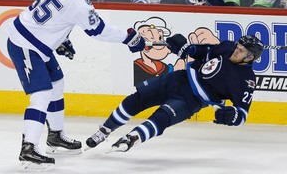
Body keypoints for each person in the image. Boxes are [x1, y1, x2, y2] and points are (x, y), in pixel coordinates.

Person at [6, 0, 145, 171]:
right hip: (25, 45)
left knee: (57, 83)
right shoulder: (79, 2)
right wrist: (128, 38)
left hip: (36, 43)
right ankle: (29, 149)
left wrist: (62, 39)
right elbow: (98, 30)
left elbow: (54, 18)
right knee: (42, 94)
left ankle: (55, 136)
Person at [85, 34, 264, 153]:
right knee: (136, 99)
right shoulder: (227, 47)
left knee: (161, 116)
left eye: (240, 50)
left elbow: (242, 115)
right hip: (178, 78)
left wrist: (232, 116)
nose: (235, 49)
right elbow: (206, 51)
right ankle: (104, 130)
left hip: (192, 99)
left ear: (249, 58)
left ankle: (132, 138)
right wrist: (189, 49)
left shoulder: (246, 80)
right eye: (237, 46)